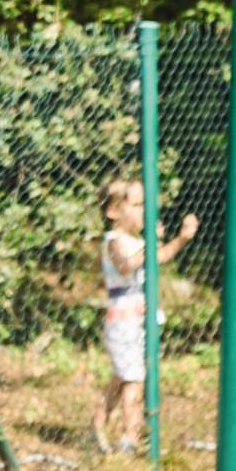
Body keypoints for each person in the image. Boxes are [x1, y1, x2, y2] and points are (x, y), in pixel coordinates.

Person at [90, 177, 196, 454]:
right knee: (133, 381)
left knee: (121, 378)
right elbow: (126, 267)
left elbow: (159, 257)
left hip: (139, 322)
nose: (144, 211)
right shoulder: (114, 241)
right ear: (113, 211)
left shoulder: (136, 242)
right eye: (137, 205)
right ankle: (130, 440)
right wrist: (150, 243)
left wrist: (181, 239)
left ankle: (98, 426)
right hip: (123, 323)